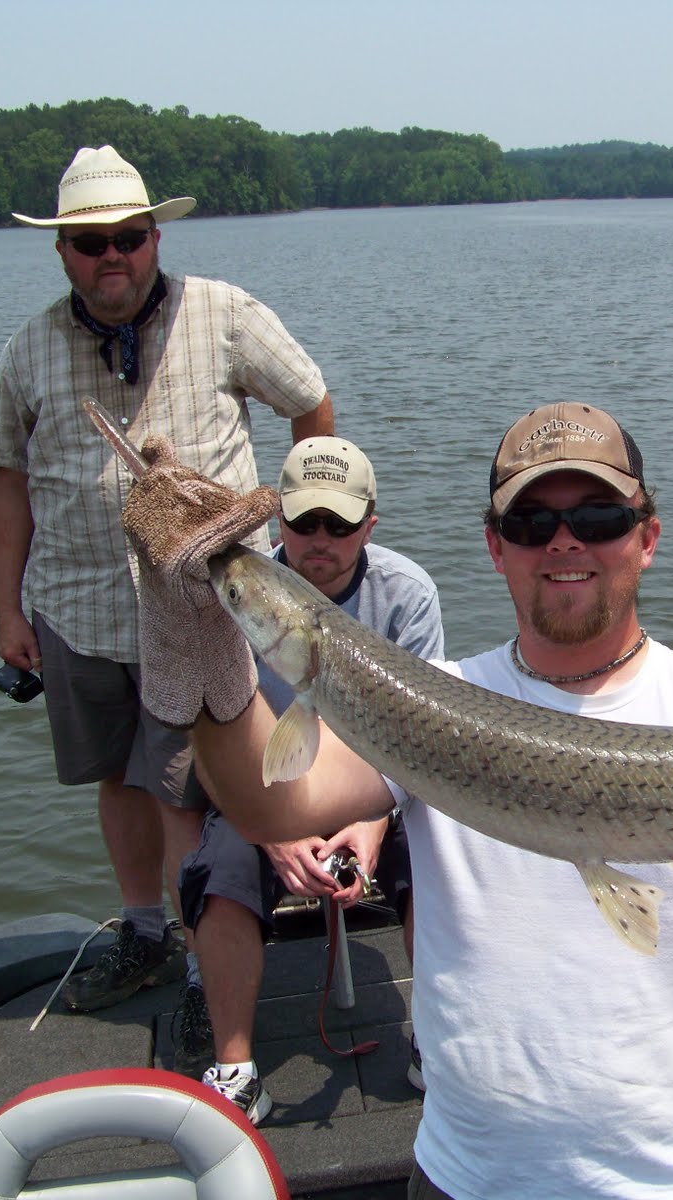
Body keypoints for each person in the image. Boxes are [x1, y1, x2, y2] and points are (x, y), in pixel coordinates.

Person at [121, 402, 673, 1200]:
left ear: (647, 537)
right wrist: (202, 646)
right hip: (467, 1175)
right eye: (530, 523)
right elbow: (269, 807)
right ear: (495, 547)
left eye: (599, 517)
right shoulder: (428, 699)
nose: (564, 542)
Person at [0, 144, 334, 1014]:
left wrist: (300, 537)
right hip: (79, 610)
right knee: (120, 779)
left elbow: (310, 404)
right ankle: (144, 932)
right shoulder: (29, 350)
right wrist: (8, 611)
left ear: (155, 240)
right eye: (91, 242)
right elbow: (9, 481)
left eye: (130, 238)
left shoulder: (225, 315)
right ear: (62, 251)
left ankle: (209, 972)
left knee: (204, 791)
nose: (113, 256)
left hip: (210, 614)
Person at [175, 436, 444, 1122]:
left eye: (340, 524)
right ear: (279, 520)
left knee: (443, 854)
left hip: (382, 784)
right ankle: (235, 1069)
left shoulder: (408, 594)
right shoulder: (236, 598)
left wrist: (374, 821)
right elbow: (212, 745)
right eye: (303, 521)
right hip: (264, 793)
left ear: (369, 526)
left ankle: (438, 1042)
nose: (320, 539)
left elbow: (424, 743)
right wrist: (270, 833)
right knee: (220, 869)